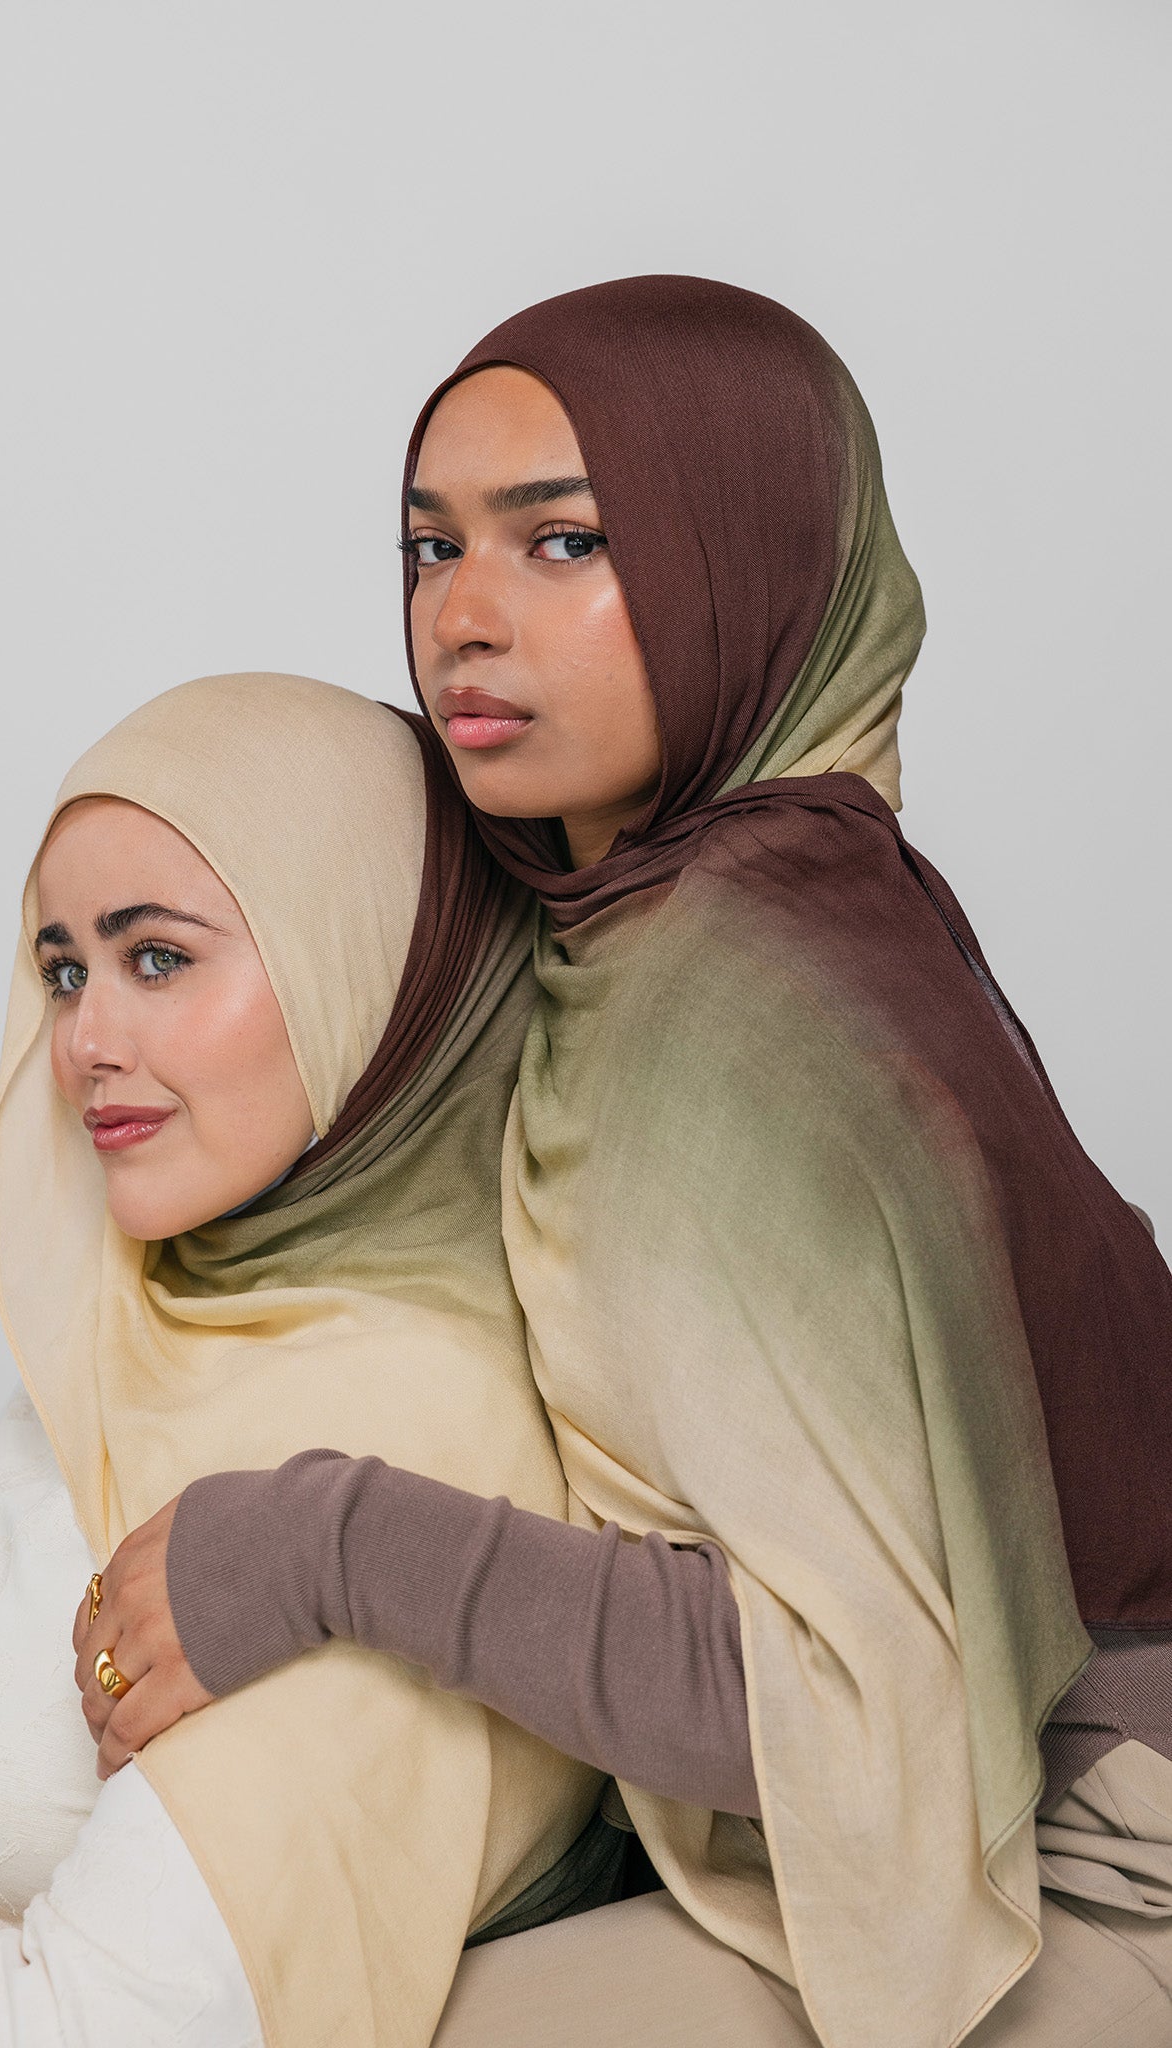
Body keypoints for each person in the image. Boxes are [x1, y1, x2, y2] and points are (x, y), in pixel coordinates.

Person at [82, 282, 1172, 2046]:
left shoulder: (747, 1003)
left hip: (1096, 1855)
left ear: (745, 562)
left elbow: (829, 1696)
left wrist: (314, 1544)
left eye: (566, 543)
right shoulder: (692, 910)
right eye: (429, 548)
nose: (464, 619)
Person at [0, 670, 604, 2047]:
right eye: (64, 971)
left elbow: (85, 2031)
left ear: (368, 966)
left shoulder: (412, 1444)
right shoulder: (139, 1329)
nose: (83, 1044)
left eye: (156, 959)